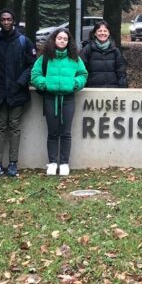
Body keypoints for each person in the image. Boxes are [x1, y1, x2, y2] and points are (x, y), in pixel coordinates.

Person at [31, 28, 88, 176]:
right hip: (50, 98)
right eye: (59, 38)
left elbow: (83, 74)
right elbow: (35, 75)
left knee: (66, 132)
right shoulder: (45, 58)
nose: (62, 41)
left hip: (68, 98)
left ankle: (64, 163)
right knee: (52, 132)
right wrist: (46, 84)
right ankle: (52, 162)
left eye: (65, 39)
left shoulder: (75, 58)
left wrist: (75, 84)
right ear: (54, 39)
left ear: (68, 42)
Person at [0, 9, 37, 178]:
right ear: (0, 22)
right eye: (3, 19)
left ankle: (13, 163)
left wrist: (20, 82)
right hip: (0, 94)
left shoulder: (24, 41)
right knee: (0, 128)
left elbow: (32, 65)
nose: (6, 22)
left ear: (13, 21)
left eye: (9, 19)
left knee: (14, 128)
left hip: (17, 92)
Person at [80, 19, 127, 88]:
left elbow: (121, 72)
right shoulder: (87, 49)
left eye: (105, 31)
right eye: (100, 31)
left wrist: (123, 87)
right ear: (95, 33)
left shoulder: (115, 51)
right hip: (91, 91)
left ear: (109, 33)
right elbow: (81, 70)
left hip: (111, 90)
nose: (102, 33)